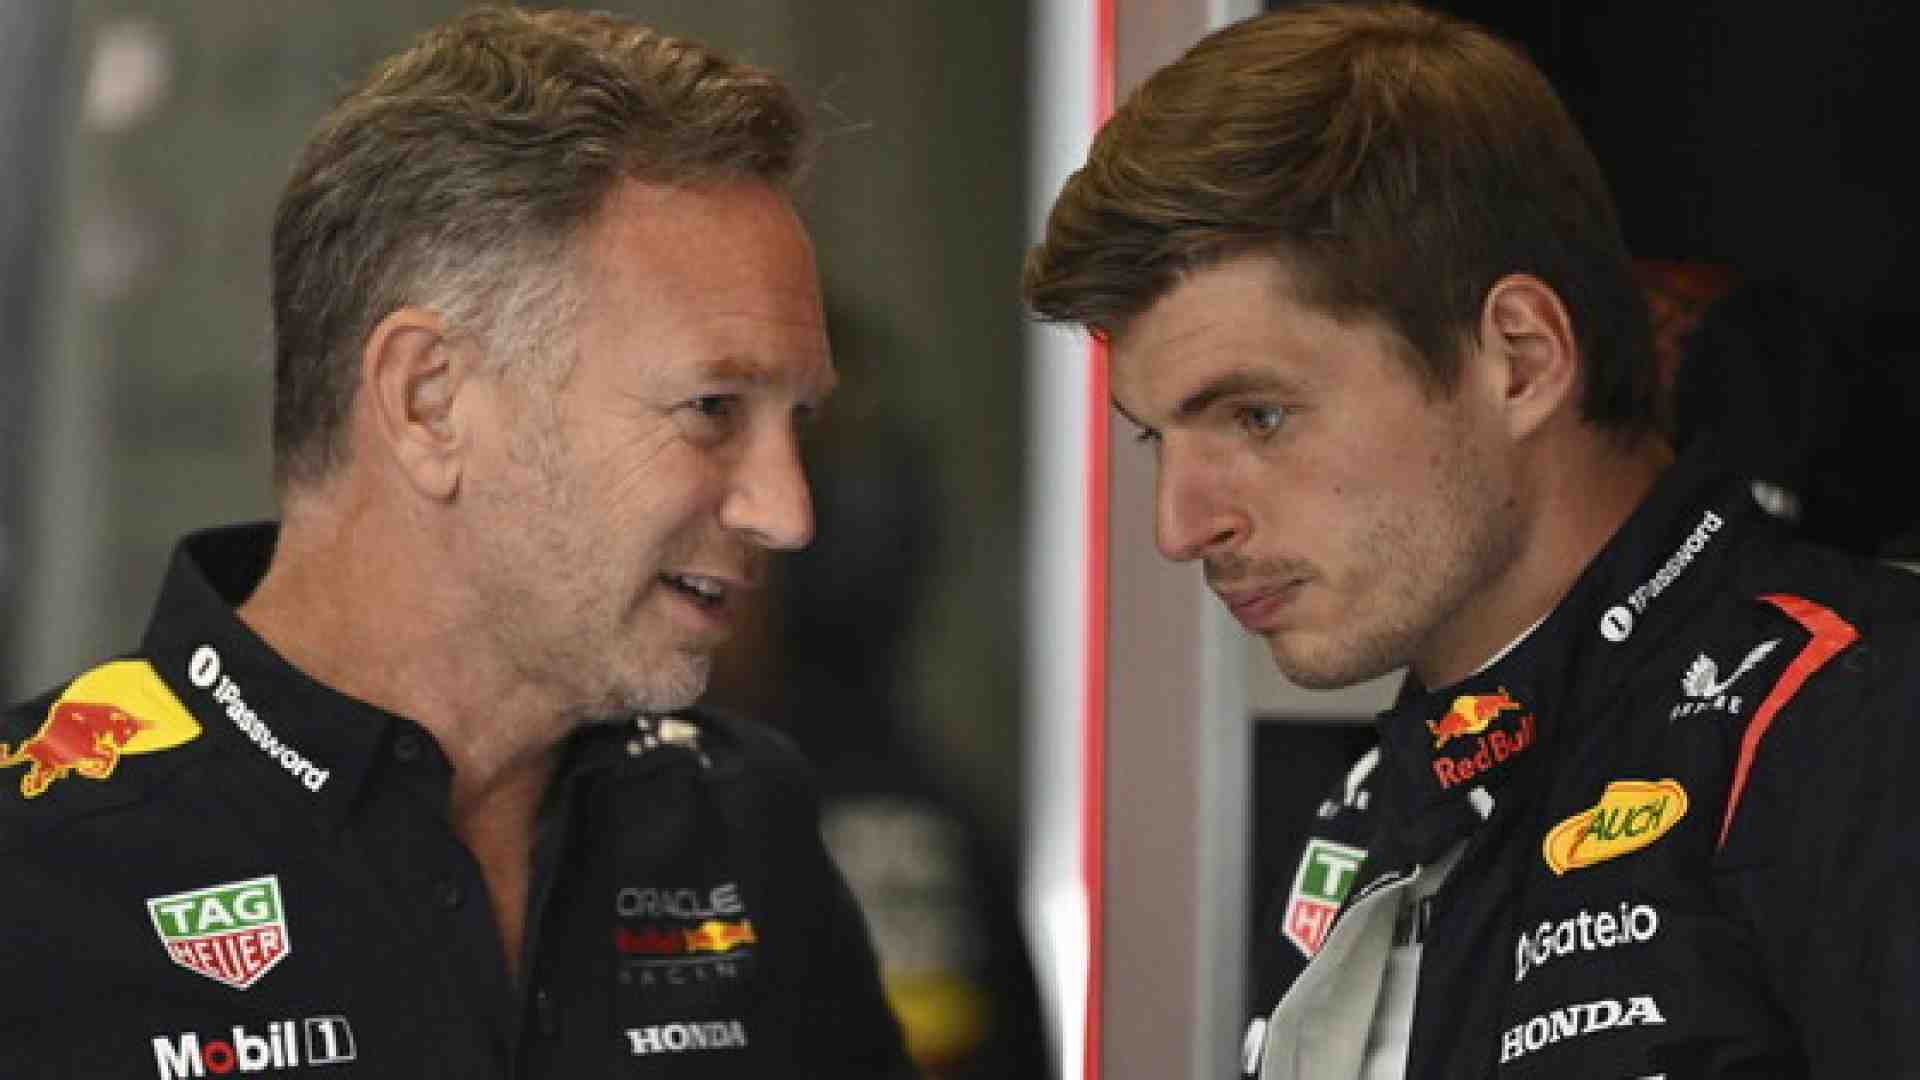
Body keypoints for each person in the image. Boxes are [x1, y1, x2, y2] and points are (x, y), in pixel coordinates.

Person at [0, 8, 915, 1077]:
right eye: (713, 408)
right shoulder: (36, 862)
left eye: (798, 422)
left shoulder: (739, 819)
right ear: (429, 401)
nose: (788, 511)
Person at [1023, 4, 1920, 1077]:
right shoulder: (1372, 811)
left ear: (1521, 361)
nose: (1181, 525)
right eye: (1155, 438)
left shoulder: (1855, 717)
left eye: (1259, 416)